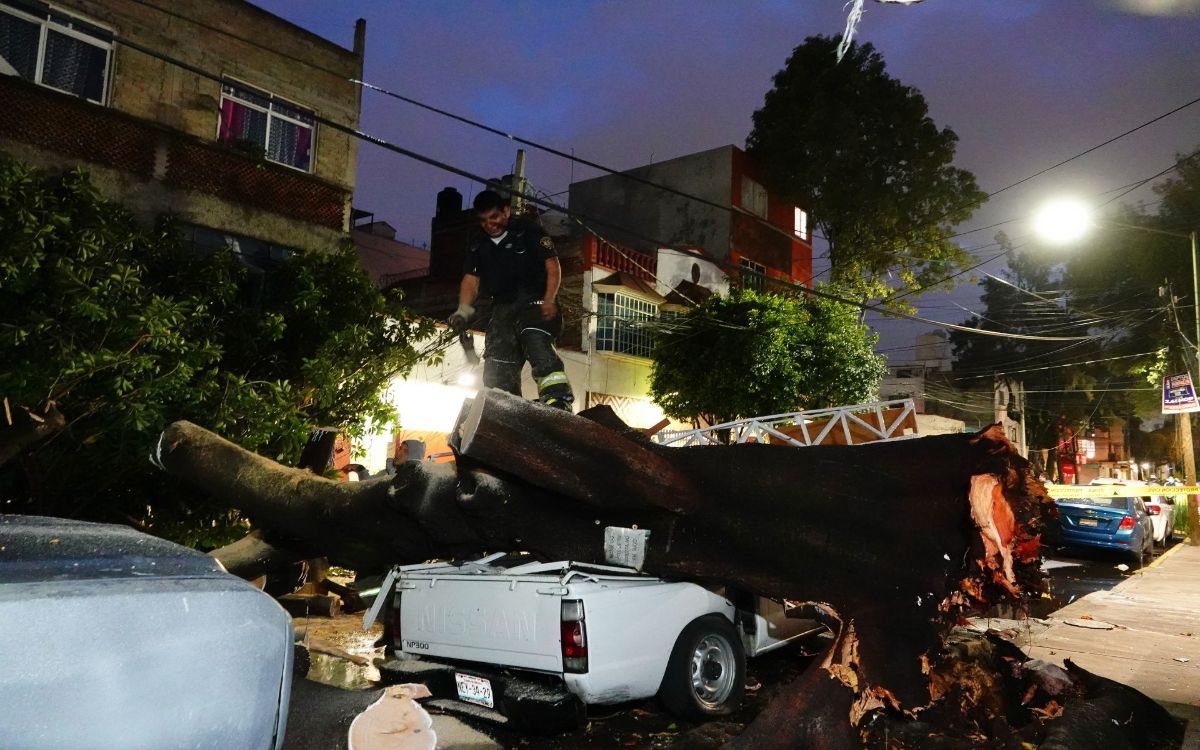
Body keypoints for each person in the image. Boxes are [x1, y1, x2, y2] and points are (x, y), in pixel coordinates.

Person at [449, 189, 574, 410]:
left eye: (494, 217)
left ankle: (557, 398)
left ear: (506, 212)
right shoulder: (478, 245)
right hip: (503, 308)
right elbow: (470, 281)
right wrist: (463, 310)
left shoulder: (528, 231)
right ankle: (504, 408)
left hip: (535, 302)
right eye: (484, 220)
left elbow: (552, 266)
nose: (490, 224)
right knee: (497, 355)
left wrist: (549, 299)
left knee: (533, 337)